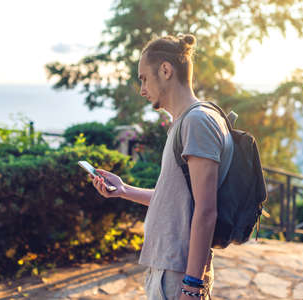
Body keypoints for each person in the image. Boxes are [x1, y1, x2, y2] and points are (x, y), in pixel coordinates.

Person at [90, 34, 234, 300]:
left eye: (144, 78)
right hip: (168, 268)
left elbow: (206, 211)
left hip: (179, 274)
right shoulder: (184, 122)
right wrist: (123, 190)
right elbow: (176, 201)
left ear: (166, 70)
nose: (142, 89)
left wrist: (192, 287)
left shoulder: (197, 122)